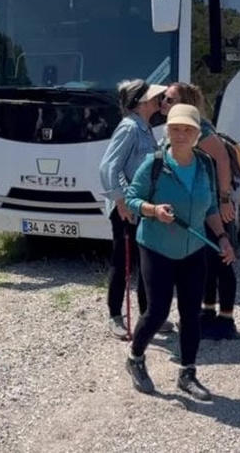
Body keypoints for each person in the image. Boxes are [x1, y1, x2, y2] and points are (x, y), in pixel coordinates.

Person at [122, 104, 234, 401]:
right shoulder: (154, 164)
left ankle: (188, 373)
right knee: (158, 310)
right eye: (175, 129)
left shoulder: (205, 164)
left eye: (188, 129)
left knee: (191, 314)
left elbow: (210, 207)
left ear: (198, 134)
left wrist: (222, 237)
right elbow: (132, 199)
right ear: (167, 132)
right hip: (156, 247)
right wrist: (153, 210)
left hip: (193, 249)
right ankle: (135, 358)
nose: (181, 134)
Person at [162, 82, 239, 339]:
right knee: (204, 259)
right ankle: (207, 312)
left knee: (222, 259)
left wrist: (225, 198)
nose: (164, 102)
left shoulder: (202, 130)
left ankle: (227, 320)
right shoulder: (181, 128)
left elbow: (223, 160)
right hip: (199, 204)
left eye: (170, 99)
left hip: (213, 204)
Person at [98, 79, 165, 340]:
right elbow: (108, 167)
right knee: (123, 261)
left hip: (141, 207)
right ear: (142, 102)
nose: (159, 101)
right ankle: (115, 315)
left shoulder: (145, 127)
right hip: (126, 208)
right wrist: (121, 201)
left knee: (145, 260)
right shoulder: (129, 128)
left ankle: (147, 315)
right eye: (154, 97)